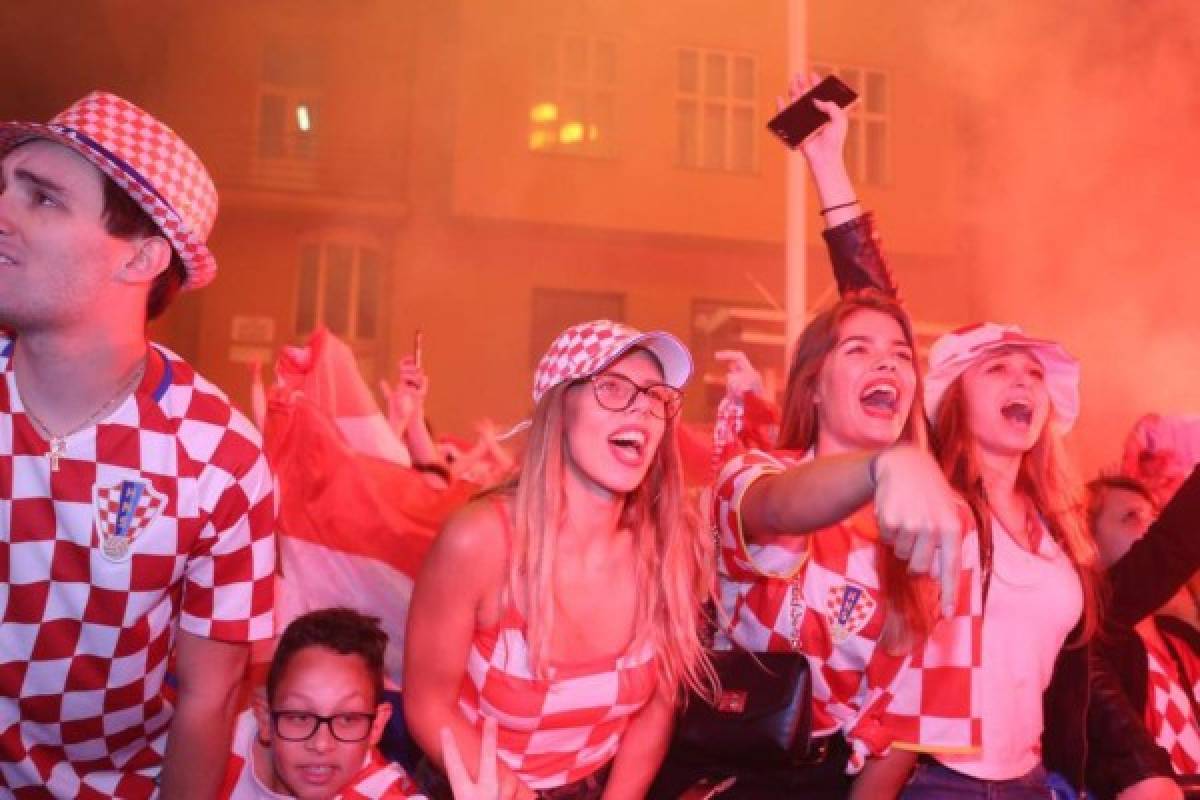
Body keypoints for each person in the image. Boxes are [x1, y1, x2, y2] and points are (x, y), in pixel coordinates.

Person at [0, 92, 276, 797]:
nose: (3, 212)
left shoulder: (221, 460)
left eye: (44, 201)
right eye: (5, 186)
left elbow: (209, 703)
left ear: (143, 257)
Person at [404, 320, 715, 800]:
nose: (642, 408)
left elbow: (656, 710)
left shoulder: (673, 548)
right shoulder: (482, 540)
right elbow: (428, 705)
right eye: (612, 387)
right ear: (560, 408)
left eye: (656, 397)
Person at [899, 323, 1184, 800]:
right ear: (953, 398)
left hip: (1029, 781)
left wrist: (1139, 767)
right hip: (936, 779)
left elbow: (1084, 656)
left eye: (1034, 373)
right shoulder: (934, 505)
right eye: (997, 368)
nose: (1023, 382)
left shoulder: (1059, 533)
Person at [221, 609, 425, 800]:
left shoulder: (382, 793)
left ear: (377, 725)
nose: (321, 745)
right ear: (265, 718)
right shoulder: (215, 749)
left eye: (347, 719)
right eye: (300, 717)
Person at [1088, 476, 1200, 781]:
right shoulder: (1093, 639)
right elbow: (1167, 550)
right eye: (1131, 517)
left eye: (1156, 517)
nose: (1151, 527)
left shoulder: (1183, 639)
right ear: (1089, 545)